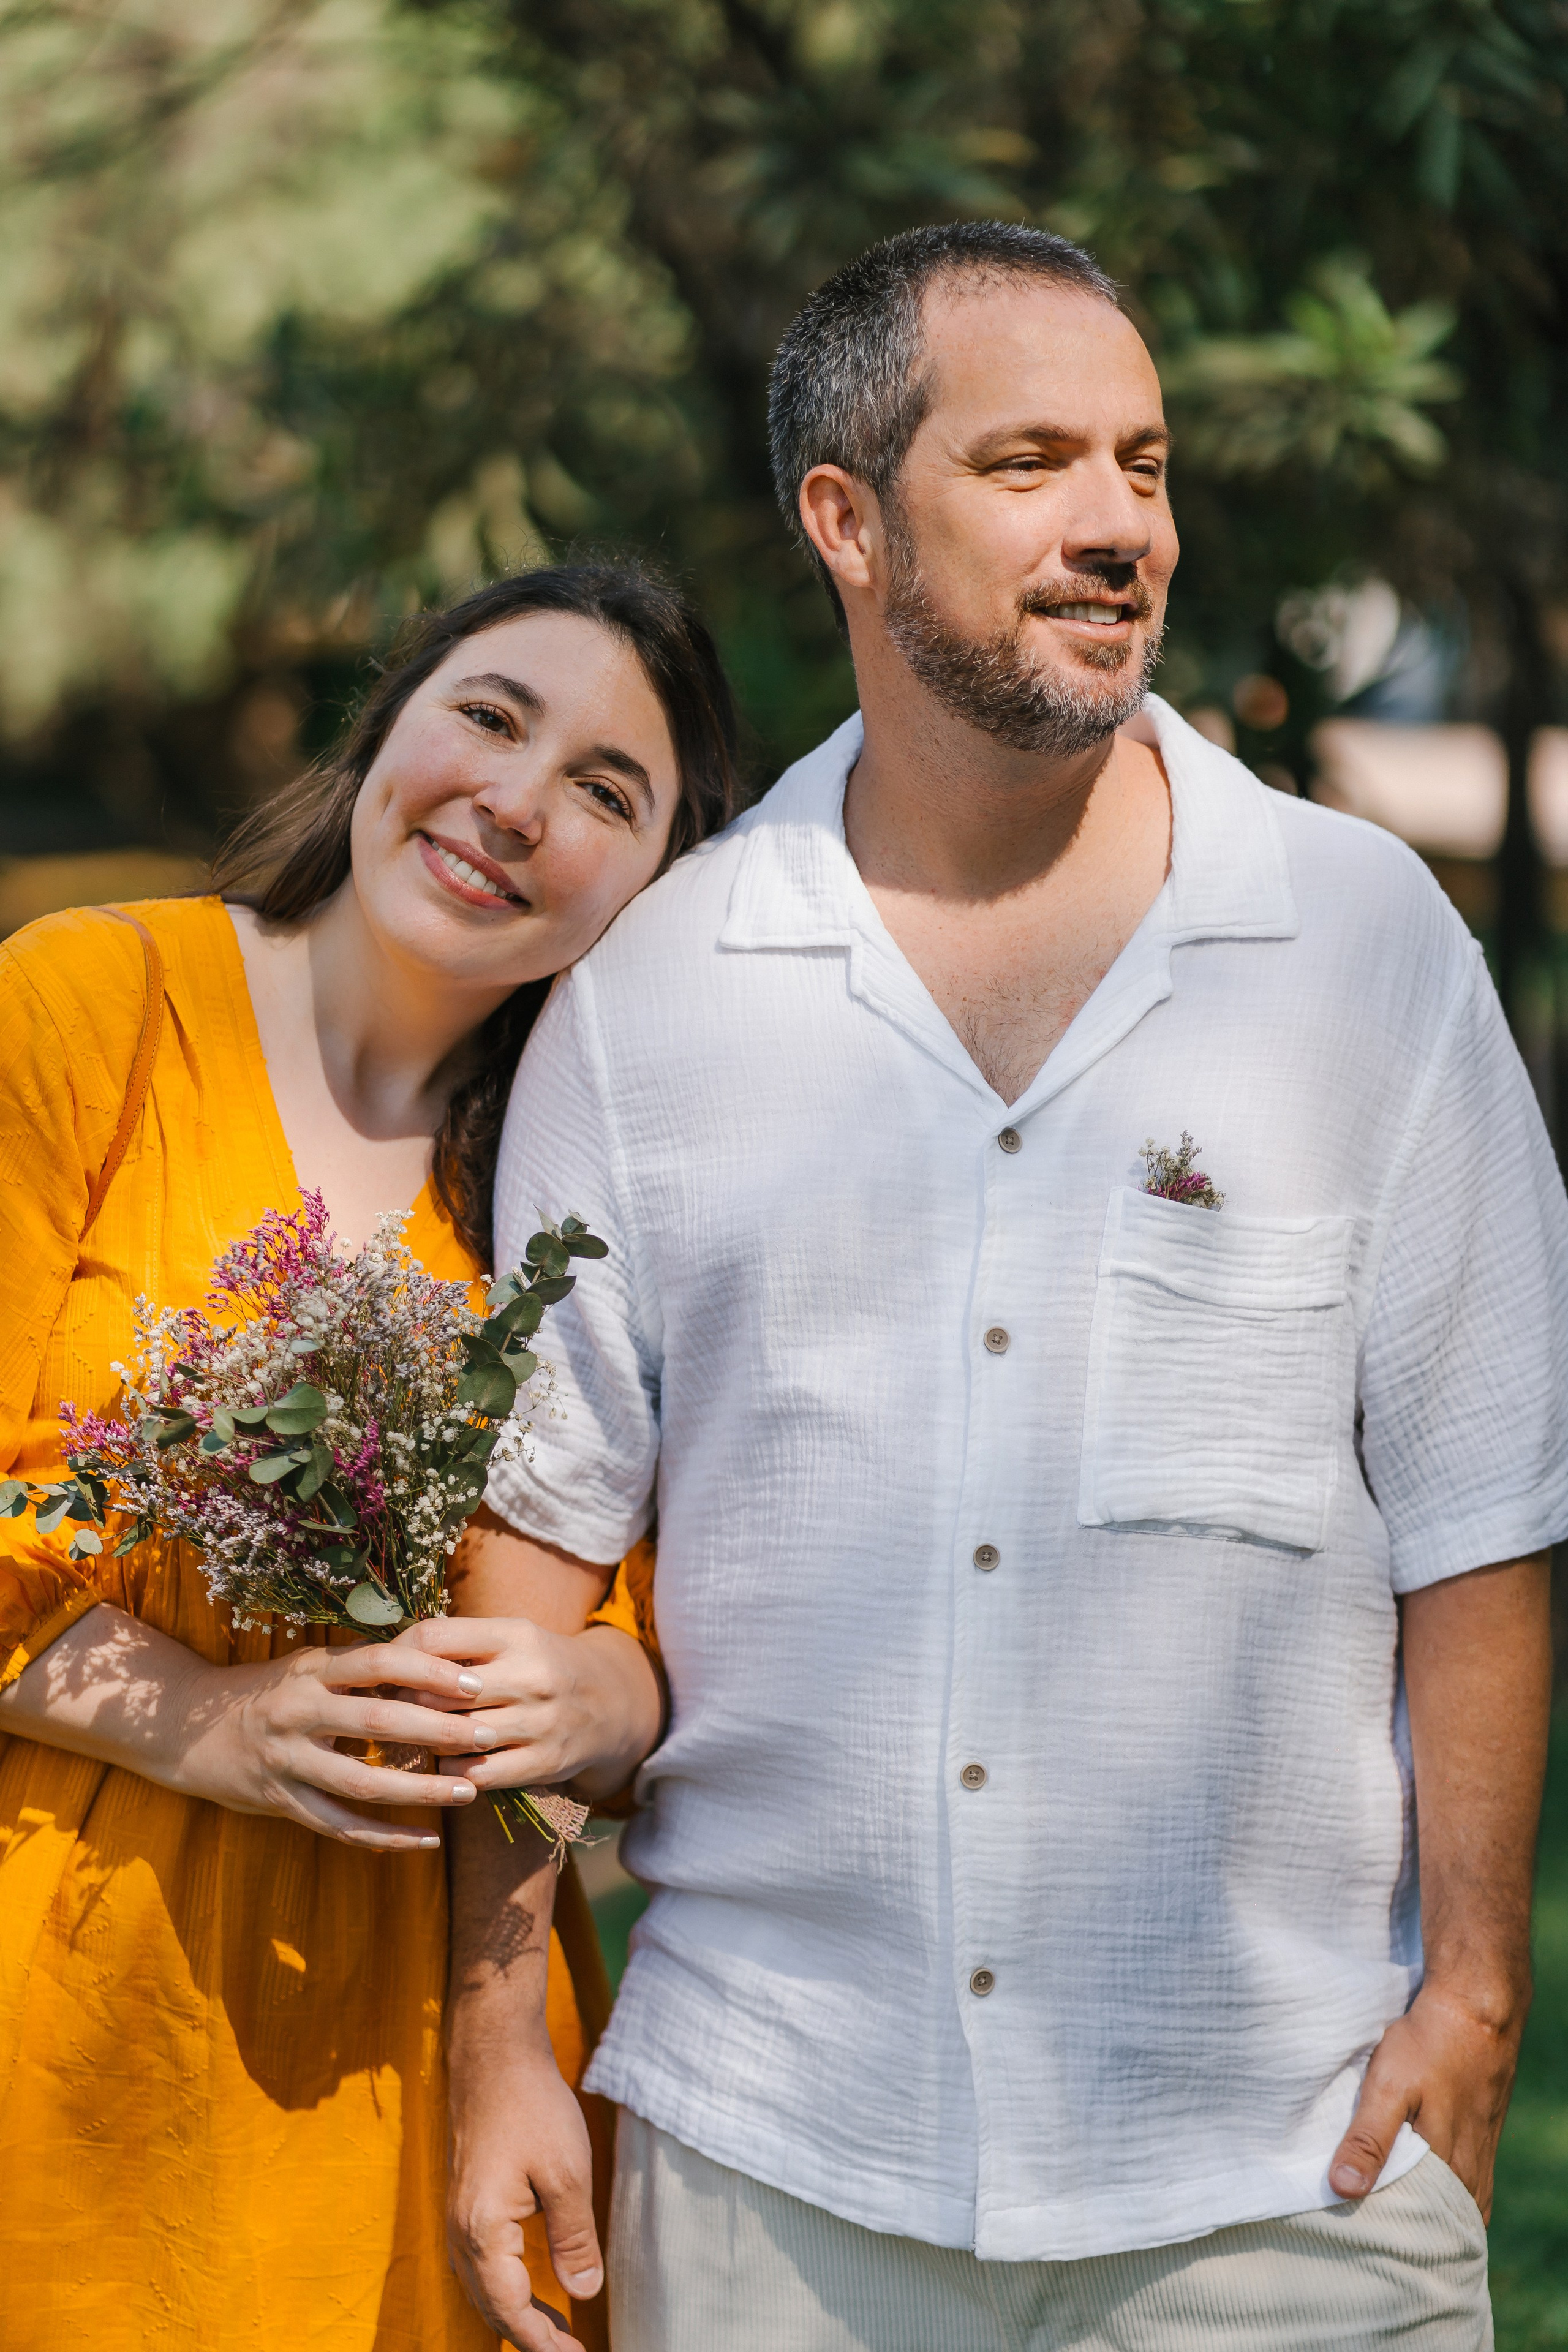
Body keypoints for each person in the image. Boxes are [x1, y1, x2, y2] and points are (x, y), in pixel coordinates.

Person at [451, 224, 1568, 2350]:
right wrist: (505, 2039)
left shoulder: (1365, 943)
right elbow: (530, 1559)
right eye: (1037, 461)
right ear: (849, 523)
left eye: (1144, 466)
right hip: (775, 2152)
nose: (1117, 526)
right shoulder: (656, 996)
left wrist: (1480, 1986)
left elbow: (1482, 1508)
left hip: (1284, 2171)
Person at [0, 565, 731, 2352]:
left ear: (646, 892)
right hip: (70, 2043)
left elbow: (679, 1648)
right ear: (388, 725)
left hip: (435, 2059)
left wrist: (601, 1701)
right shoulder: (92, 1009)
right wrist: (205, 1714)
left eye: (606, 793)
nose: (514, 801)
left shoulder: (590, 1196)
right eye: (489, 715)